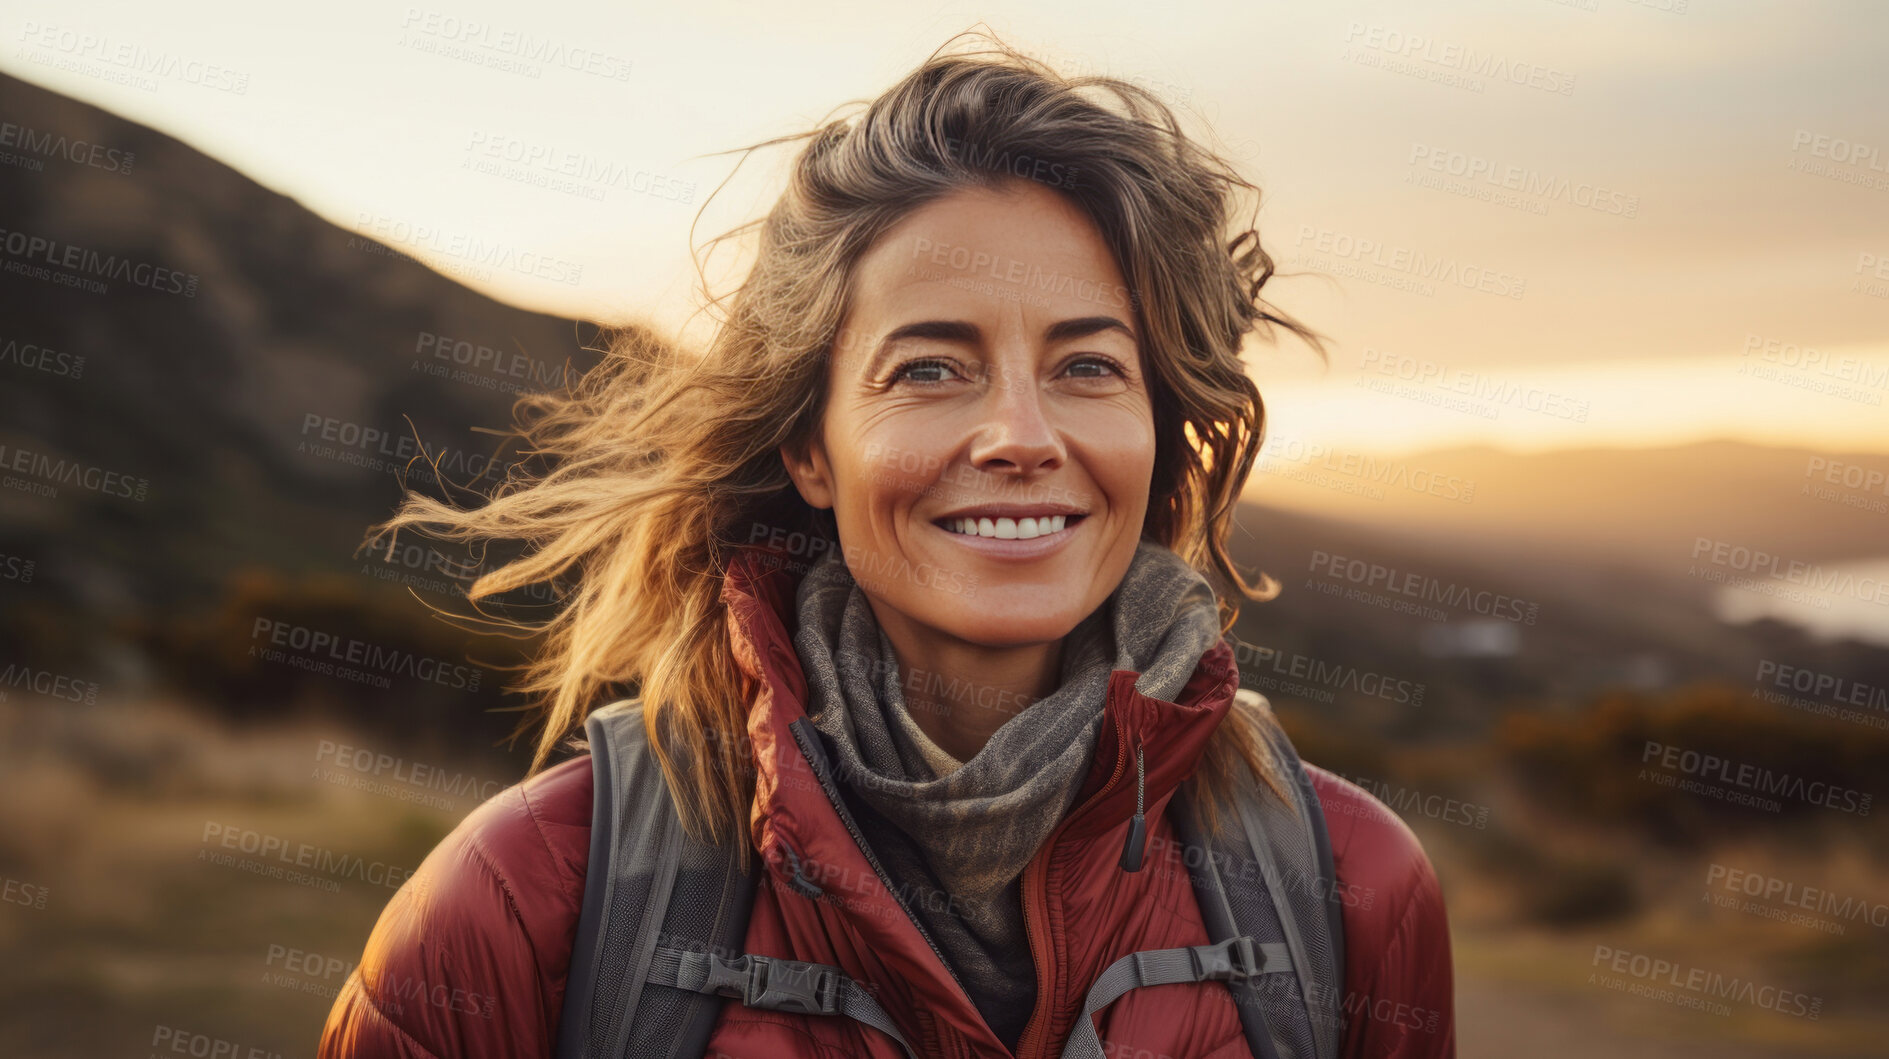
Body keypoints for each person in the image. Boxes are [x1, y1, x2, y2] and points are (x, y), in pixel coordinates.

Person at [319, 32, 1454, 1059]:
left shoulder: (1348, 890)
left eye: (1088, 365)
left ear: (1156, 433)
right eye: (927, 368)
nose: (1019, 434)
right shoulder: (525, 897)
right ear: (813, 448)